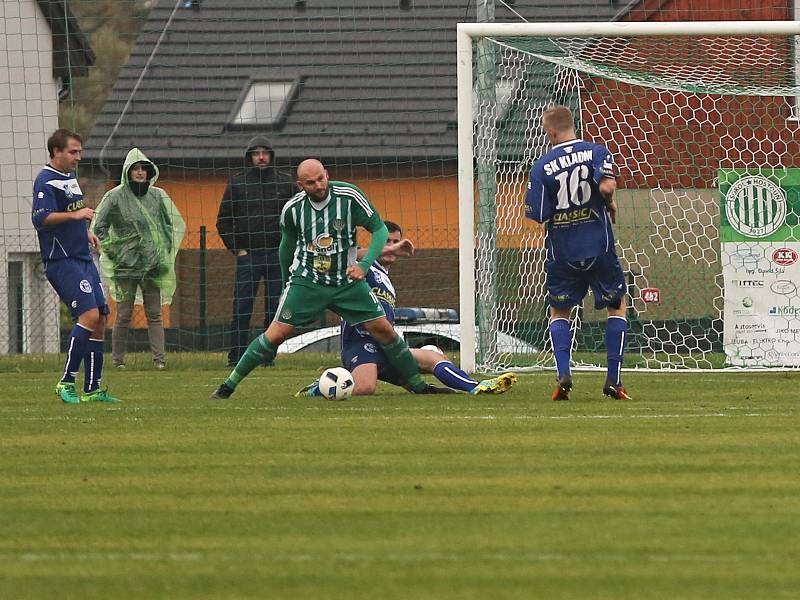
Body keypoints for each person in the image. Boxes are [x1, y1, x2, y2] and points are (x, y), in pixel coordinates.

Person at [211, 159, 441, 399]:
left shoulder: (349, 196)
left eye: (321, 178)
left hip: (346, 283)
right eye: (311, 182)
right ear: (300, 185)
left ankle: (419, 386)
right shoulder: (292, 210)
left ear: (327, 174)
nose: (318, 185)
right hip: (308, 282)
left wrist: (363, 266)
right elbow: (286, 248)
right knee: (275, 334)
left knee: (385, 331)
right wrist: (284, 282)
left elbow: (379, 230)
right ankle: (228, 386)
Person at [295, 221, 517, 397]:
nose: (392, 247)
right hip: (360, 343)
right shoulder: (364, 267)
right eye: (387, 242)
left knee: (432, 357)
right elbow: (345, 256)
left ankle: (477, 386)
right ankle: (324, 386)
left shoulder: (387, 280)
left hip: (387, 346)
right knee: (365, 388)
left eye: (395, 241)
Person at [524, 105, 631, 401]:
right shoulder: (597, 152)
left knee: (560, 311)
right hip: (599, 245)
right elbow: (607, 186)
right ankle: (614, 380)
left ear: (550, 131)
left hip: (562, 250)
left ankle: (563, 374)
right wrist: (608, 202)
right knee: (616, 306)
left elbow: (539, 214)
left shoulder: (542, 165)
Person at [31, 129, 120, 403]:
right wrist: (77, 215)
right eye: (72, 152)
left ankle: (92, 389)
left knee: (101, 319)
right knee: (89, 316)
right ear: (56, 152)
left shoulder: (69, 178)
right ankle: (66, 382)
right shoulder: (45, 180)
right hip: (62, 260)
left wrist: (85, 231)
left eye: (79, 152)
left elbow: (74, 214)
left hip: (82, 256)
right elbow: (40, 218)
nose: (78, 157)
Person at [91, 148, 186, 369]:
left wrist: (163, 250)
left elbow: (171, 224)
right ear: (127, 171)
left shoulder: (157, 195)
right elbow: (99, 228)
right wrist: (115, 251)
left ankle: (160, 360)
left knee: (155, 314)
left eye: (144, 168)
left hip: (152, 265)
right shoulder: (114, 197)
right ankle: (117, 360)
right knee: (123, 314)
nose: (140, 172)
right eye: (136, 168)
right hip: (125, 266)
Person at [216, 137, 297, 366]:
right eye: (256, 153)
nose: (261, 157)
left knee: (275, 308)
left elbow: (296, 219)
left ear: (271, 155)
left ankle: (267, 356)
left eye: (265, 152)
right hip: (249, 256)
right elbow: (223, 221)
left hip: (278, 257)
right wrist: (238, 250)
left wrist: (289, 250)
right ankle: (236, 356)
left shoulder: (285, 183)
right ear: (249, 157)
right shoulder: (237, 184)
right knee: (242, 307)